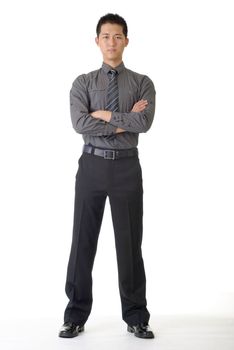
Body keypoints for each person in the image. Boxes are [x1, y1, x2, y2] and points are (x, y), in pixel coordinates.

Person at [59, 13, 156, 339]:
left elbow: (144, 124)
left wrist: (104, 115)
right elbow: (79, 124)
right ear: (97, 41)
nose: (111, 42)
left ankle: (136, 316)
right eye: (106, 36)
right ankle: (74, 315)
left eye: (117, 36)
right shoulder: (82, 83)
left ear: (126, 40)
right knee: (82, 241)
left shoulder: (142, 83)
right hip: (92, 166)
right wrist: (124, 120)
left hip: (128, 167)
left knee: (130, 244)